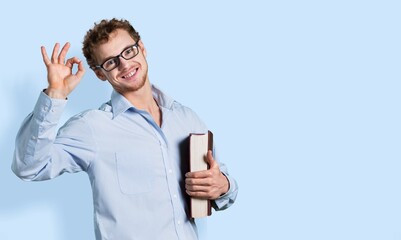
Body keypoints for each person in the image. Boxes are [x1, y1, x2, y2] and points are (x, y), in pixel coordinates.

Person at [12, 18, 238, 239]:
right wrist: (55, 94)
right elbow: (29, 167)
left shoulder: (186, 118)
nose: (125, 64)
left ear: (142, 48)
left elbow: (224, 188)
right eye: (111, 62)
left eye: (128, 51)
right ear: (100, 73)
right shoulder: (92, 127)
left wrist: (223, 185)